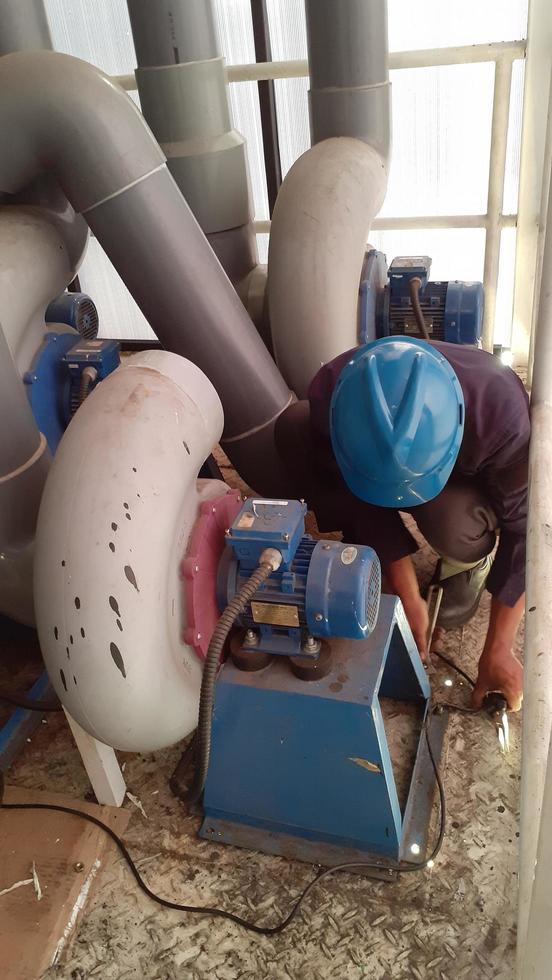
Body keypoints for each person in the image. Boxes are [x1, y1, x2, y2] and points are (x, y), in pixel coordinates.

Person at [275, 337, 528, 711]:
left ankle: (468, 561)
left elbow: (526, 536)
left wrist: (499, 649)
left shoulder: (502, 418)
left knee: (455, 526)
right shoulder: (334, 392)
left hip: (466, 478)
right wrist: (407, 593)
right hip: (375, 453)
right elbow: (357, 503)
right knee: (293, 427)